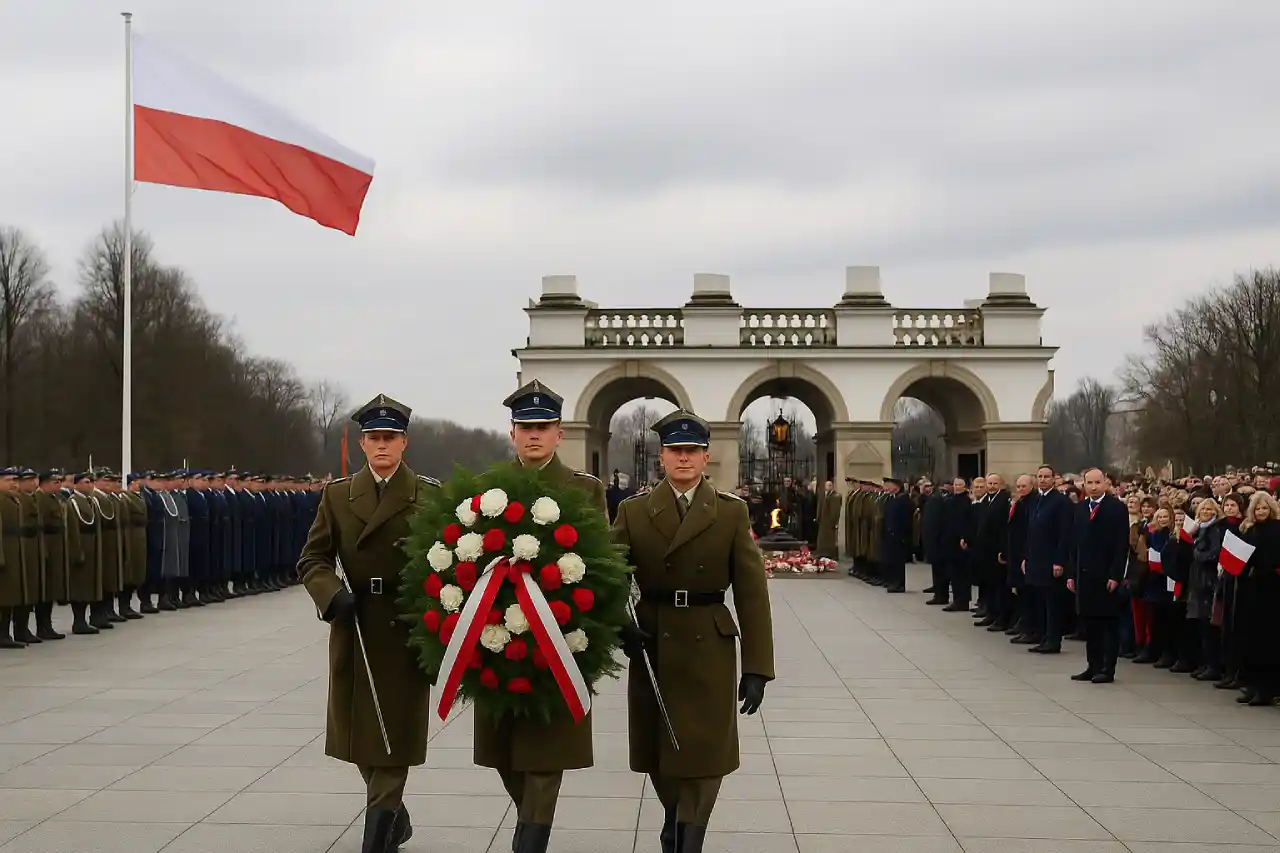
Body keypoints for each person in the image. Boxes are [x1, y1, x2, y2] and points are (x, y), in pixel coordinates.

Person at [612, 409, 775, 853]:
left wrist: (758, 667)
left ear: (706, 458)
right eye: (675, 451)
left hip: (709, 643)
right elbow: (606, 576)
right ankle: (673, 817)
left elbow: (752, 594)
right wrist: (621, 626)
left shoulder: (730, 513)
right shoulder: (633, 511)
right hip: (654, 641)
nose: (684, 459)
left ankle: (689, 836)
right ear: (661, 458)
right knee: (661, 751)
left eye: (692, 451)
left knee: (704, 754)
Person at [297, 394, 439, 853]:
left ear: (404, 442)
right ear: (362, 443)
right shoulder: (338, 495)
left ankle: (377, 837)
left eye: (390, 438)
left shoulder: (429, 495)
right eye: (374, 438)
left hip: (406, 629)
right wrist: (330, 593)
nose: (382, 446)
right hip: (355, 624)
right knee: (362, 740)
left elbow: (453, 560)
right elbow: (313, 558)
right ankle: (395, 815)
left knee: (394, 737)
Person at [472, 380, 607, 853]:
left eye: (543, 427)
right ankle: (530, 821)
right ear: (512, 433)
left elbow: (602, 563)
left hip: (559, 636)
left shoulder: (584, 491)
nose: (534, 435)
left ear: (559, 433)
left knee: (549, 752)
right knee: (507, 754)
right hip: (499, 636)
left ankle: (530, 840)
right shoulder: (487, 489)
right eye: (525, 427)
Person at [1068, 468, 1130, 683]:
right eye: (1089, 482)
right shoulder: (1080, 508)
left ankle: (1107, 668)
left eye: (1097, 482)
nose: (1093, 487)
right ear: (1083, 484)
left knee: (1108, 623)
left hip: (1106, 575)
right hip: (1084, 574)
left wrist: (1115, 574)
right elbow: (1074, 543)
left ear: (1105, 483)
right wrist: (1071, 574)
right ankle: (1092, 665)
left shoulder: (1117, 508)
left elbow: (1121, 545)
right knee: (1090, 622)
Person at [1024, 465, 1073, 654]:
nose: (1043, 480)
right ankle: (1043, 636)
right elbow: (1030, 531)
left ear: (1054, 479)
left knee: (1052, 602)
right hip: (1036, 558)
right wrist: (1026, 557)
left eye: (1047, 476)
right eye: (1040, 476)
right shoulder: (1035, 500)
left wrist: (1060, 561)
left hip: (1051, 559)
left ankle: (1053, 639)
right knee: (1039, 600)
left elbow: (1064, 533)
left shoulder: (1060, 502)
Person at [881, 477, 914, 593]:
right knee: (892, 560)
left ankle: (899, 584)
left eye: (889, 485)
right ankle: (893, 582)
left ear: (896, 487)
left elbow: (905, 519)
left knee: (898, 561)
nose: (887, 488)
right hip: (891, 534)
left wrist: (900, 533)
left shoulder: (904, 500)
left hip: (899, 535)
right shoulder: (894, 498)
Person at [815, 479, 842, 560]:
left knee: (830, 539)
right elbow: (819, 506)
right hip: (823, 521)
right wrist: (818, 517)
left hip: (830, 521)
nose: (829, 487)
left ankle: (830, 554)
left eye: (830, 485)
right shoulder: (823, 495)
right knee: (822, 538)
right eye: (827, 485)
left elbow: (836, 510)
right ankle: (821, 552)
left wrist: (835, 521)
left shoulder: (835, 496)